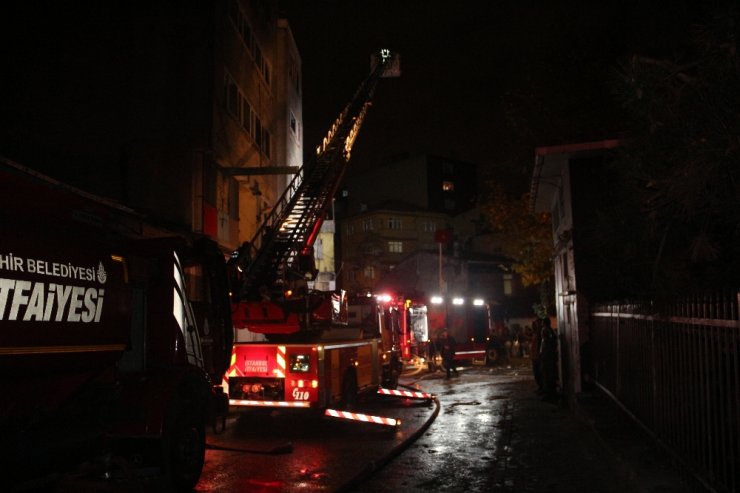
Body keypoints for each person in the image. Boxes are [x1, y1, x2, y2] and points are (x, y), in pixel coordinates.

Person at [539, 317, 558, 402]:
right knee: (548, 376)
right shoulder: (550, 332)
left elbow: (546, 347)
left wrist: (543, 355)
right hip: (548, 357)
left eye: (542, 323)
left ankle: (549, 394)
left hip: (547, 358)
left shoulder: (547, 332)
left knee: (548, 376)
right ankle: (549, 393)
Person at [529, 318, 544, 393]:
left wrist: (539, 355)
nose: (535, 325)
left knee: (539, 373)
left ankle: (542, 388)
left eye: (536, 323)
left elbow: (539, 345)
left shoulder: (540, 333)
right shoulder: (535, 333)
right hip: (534, 356)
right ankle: (540, 388)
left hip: (538, 357)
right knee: (536, 373)